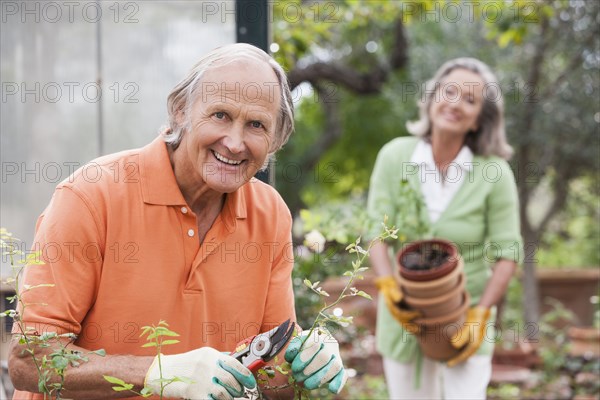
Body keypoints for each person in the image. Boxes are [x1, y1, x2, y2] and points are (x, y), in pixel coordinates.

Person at [9, 43, 347, 400]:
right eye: (220, 115)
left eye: (256, 125)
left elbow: (273, 381)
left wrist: (306, 361)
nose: (234, 143)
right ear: (180, 111)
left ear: (276, 140)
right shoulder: (91, 196)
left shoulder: (270, 213)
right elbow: (28, 361)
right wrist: (160, 372)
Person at [367, 57, 523, 399]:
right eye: (449, 91)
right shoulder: (395, 157)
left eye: (470, 100)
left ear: (479, 120)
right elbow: (375, 231)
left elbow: (508, 252)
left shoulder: (494, 172)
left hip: (464, 315)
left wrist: (481, 314)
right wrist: (387, 285)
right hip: (405, 315)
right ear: (432, 96)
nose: (455, 103)